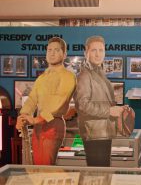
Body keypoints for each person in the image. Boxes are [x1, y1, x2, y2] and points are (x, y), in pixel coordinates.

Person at [16, 37, 76, 165]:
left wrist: (35, 119)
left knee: (46, 167)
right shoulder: (42, 78)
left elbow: (59, 104)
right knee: (38, 167)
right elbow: (32, 99)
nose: (52, 53)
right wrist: (24, 115)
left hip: (53, 125)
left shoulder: (68, 76)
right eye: (49, 50)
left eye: (56, 50)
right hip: (38, 126)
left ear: (64, 54)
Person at [73, 36, 126, 167]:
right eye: (94, 50)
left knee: (103, 173)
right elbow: (83, 105)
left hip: (102, 133)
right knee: (97, 175)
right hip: (94, 134)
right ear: (86, 52)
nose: (98, 54)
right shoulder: (84, 75)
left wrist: (118, 109)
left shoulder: (99, 72)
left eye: (101, 50)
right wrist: (109, 111)